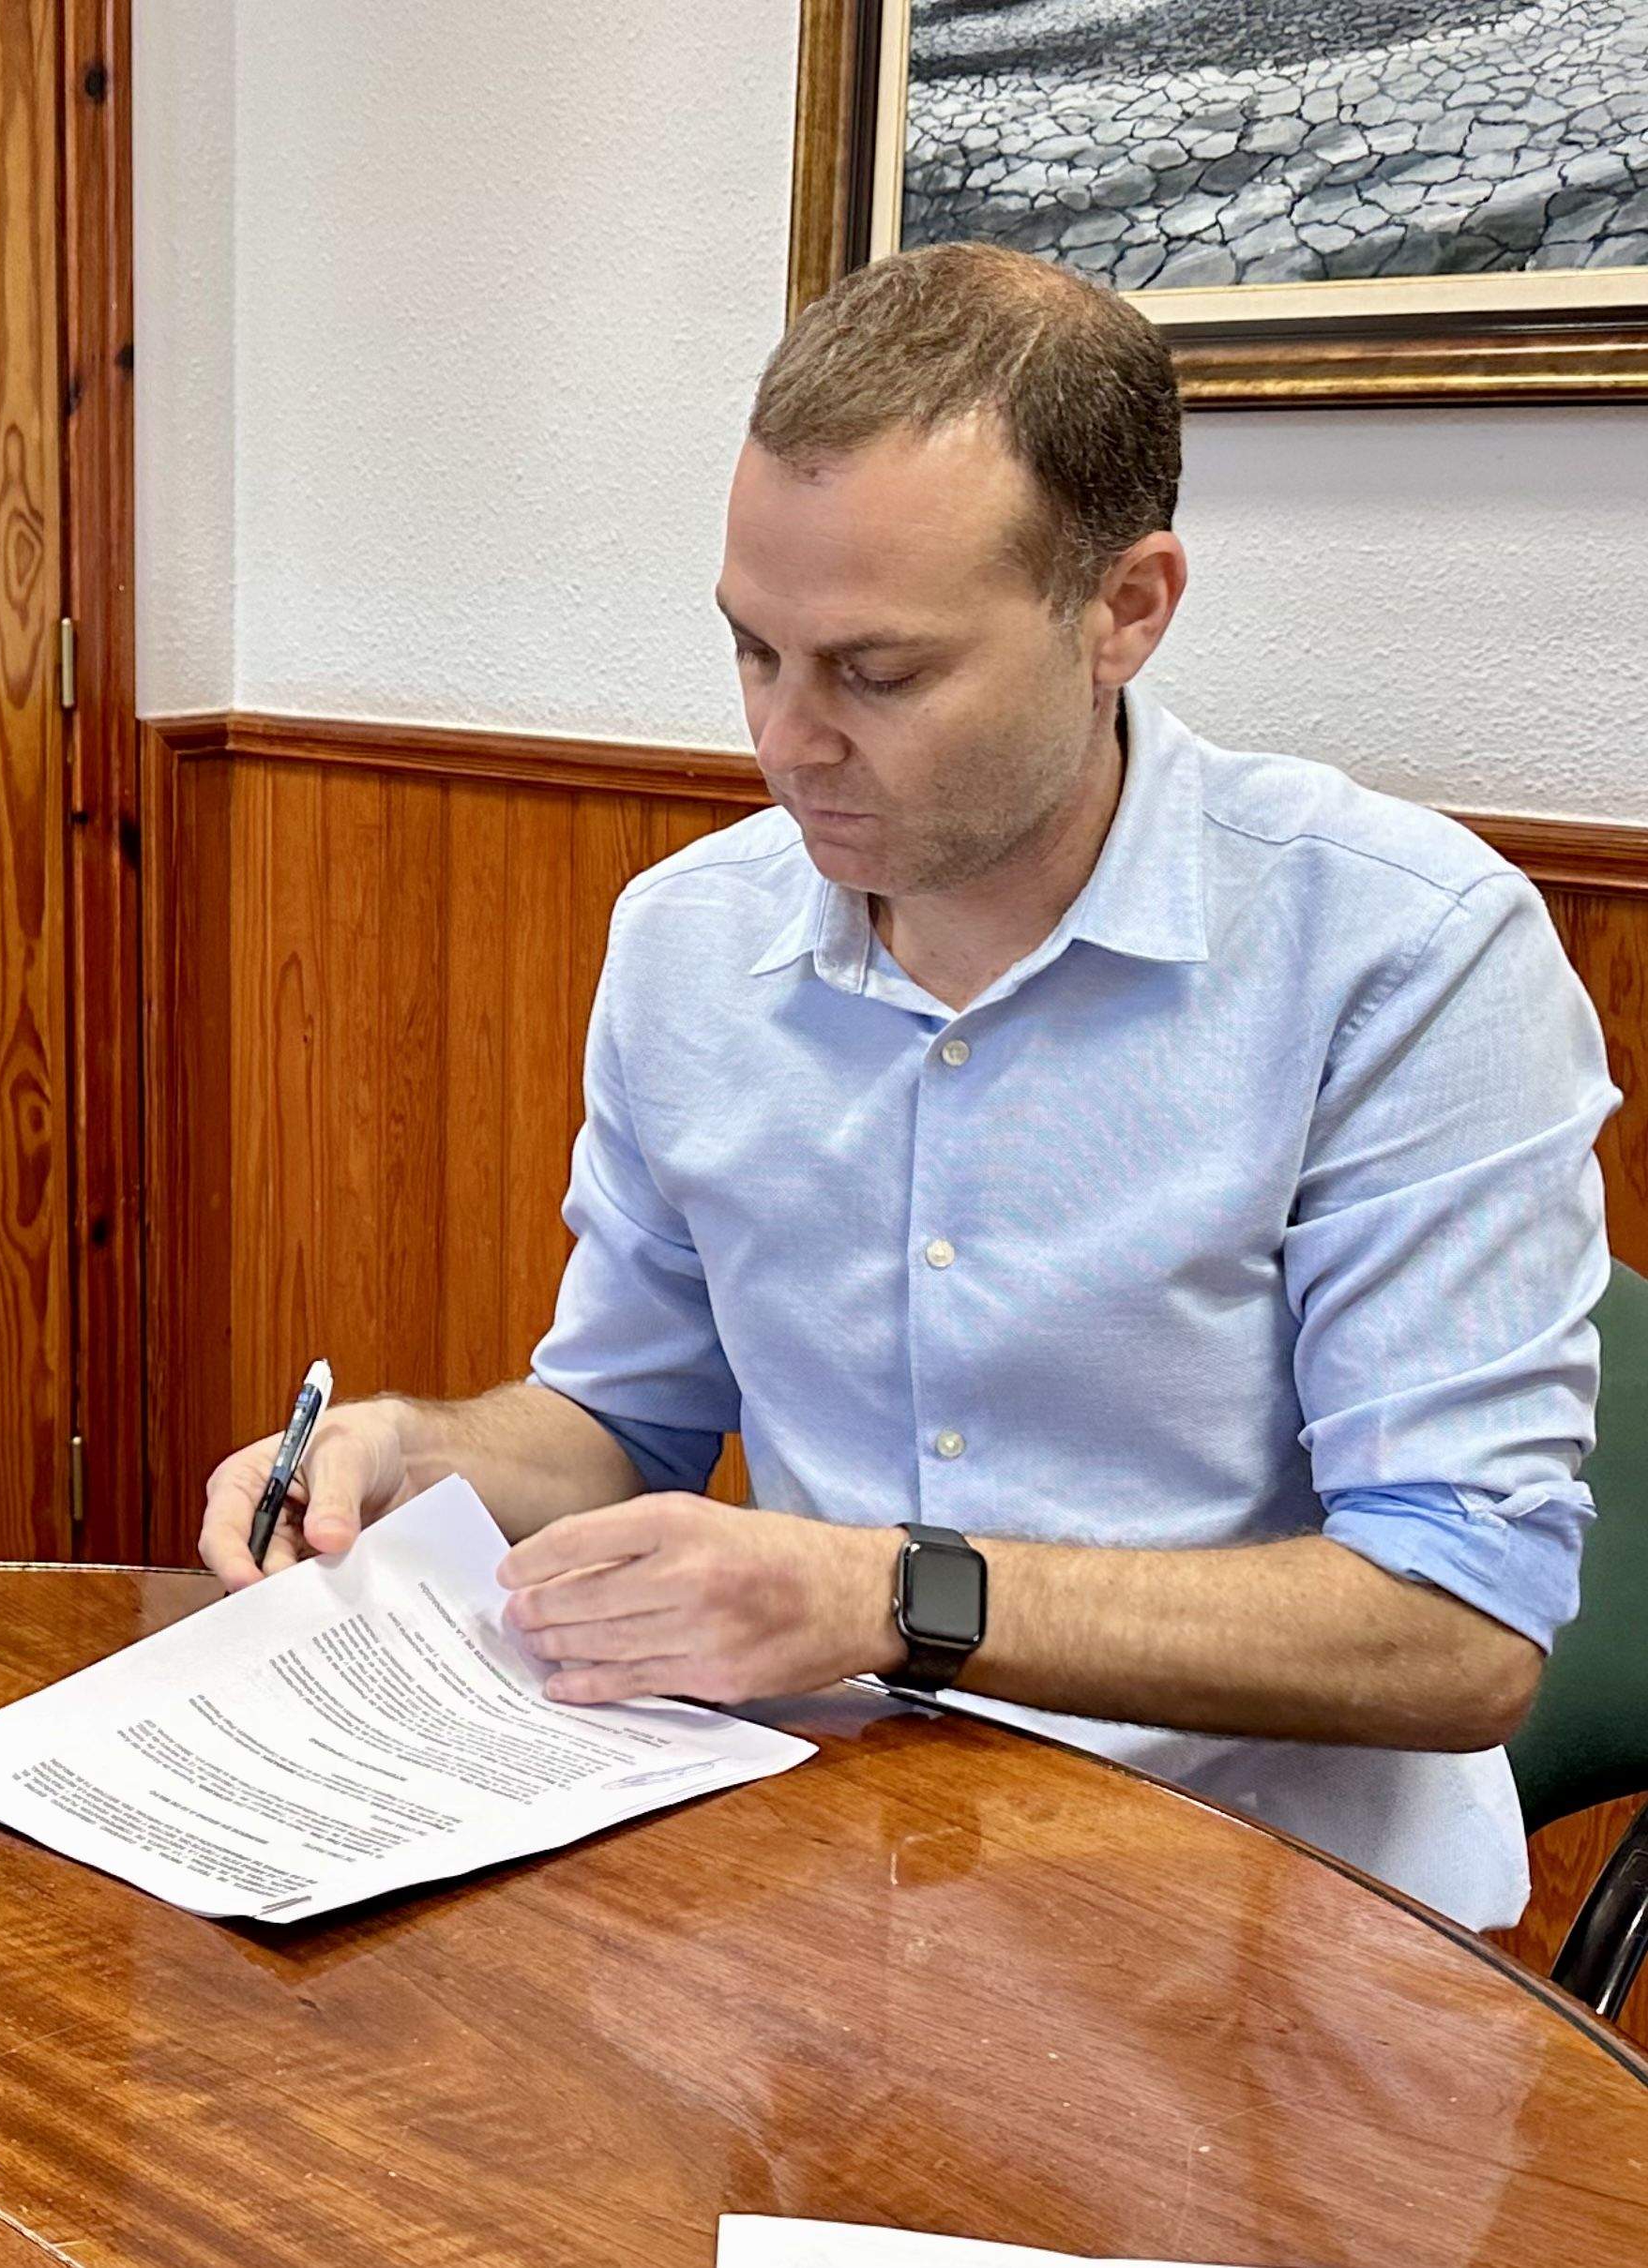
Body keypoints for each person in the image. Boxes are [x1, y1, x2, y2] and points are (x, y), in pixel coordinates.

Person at [200, 243, 1616, 1928]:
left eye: (878, 674)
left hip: (1275, 1926)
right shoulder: (688, 941)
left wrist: (891, 1595)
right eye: (753, 652)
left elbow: (1454, 1629)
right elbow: (623, 1425)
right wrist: (414, 1447)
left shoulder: (1402, 952)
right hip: (833, 1872)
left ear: (1127, 609)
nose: (786, 743)